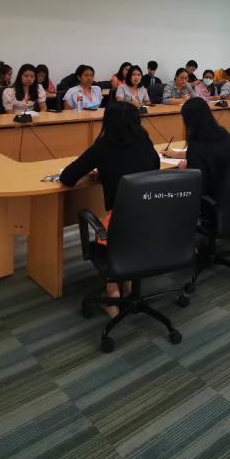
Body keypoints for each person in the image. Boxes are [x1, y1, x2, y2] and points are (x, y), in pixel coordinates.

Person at [60, 104, 159, 313]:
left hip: (120, 225)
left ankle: (112, 292)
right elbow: (155, 167)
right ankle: (128, 285)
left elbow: (67, 177)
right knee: (130, 226)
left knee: (115, 223)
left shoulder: (104, 146)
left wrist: (98, 173)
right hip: (151, 219)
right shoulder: (145, 141)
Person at [163, 97, 230, 203]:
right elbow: (208, 152)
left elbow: (198, 187)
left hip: (212, 201)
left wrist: (186, 171)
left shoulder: (196, 145)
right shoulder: (222, 132)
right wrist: (175, 154)